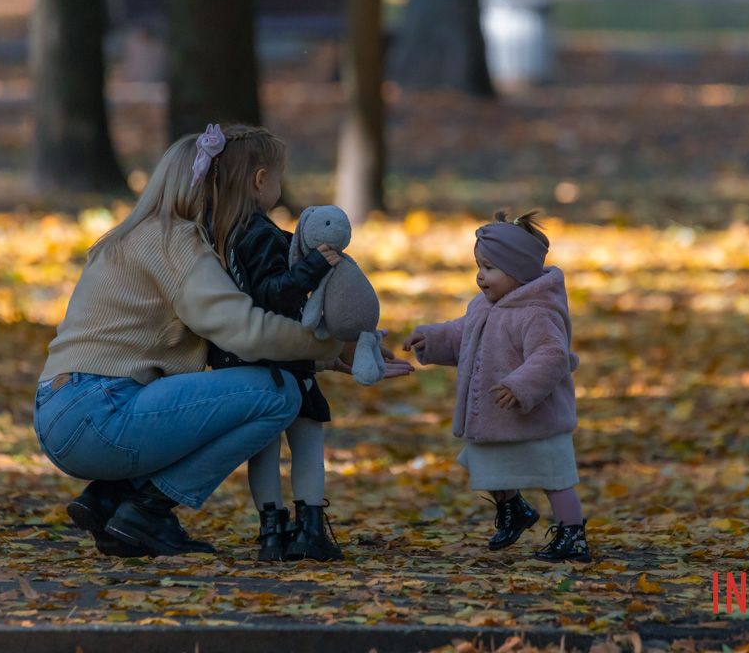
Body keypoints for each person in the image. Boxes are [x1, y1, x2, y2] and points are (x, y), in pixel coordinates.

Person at [34, 124, 346, 558]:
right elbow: (244, 331)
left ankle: (113, 502)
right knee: (278, 394)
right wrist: (330, 348)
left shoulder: (128, 237)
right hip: (102, 410)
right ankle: (148, 509)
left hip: (62, 406)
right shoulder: (175, 241)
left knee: (220, 401)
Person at [202, 125, 412, 562]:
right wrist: (315, 267)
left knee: (263, 449)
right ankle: (308, 526)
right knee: (307, 441)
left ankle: (273, 528)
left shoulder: (218, 233)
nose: (280, 186)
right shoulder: (257, 233)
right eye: (279, 178)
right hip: (281, 361)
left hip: (240, 360)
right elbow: (274, 293)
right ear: (261, 180)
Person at [404, 210, 591, 562]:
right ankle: (514, 509)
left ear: (518, 271)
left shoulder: (537, 312)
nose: (479, 276)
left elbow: (551, 356)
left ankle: (572, 532)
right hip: (495, 416)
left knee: (554, 475)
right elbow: (462, 334)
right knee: (487, 463)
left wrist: (520, 385)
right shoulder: (483, 307)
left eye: (489, 268)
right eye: (478, 266)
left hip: (538, 418)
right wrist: (431, 338)